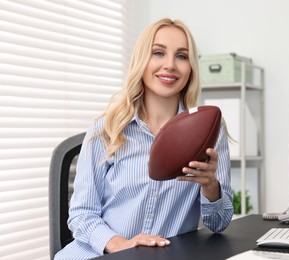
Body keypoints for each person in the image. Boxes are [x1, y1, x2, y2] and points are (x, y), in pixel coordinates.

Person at [54, 18, 233, 260]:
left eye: (181, 56)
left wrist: (210, 185)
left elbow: (219, 224)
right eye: (158, 53)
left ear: (191, 67)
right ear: (142, 60)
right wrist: (121, 244)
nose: (170, 65)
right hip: (101, 254)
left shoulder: (209, 130)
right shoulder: (106, 128)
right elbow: (81, 213)